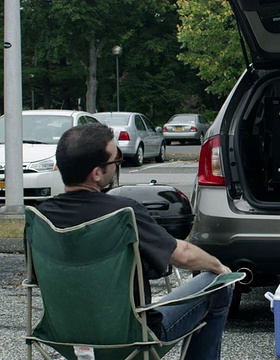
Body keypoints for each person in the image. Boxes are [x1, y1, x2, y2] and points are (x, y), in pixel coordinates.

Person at [35, 123, 232, 360]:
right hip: (133, 338)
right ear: (97, 173)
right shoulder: (122, 213)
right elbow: (184, 255)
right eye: (114, 160)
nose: (117, 165)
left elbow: (39, 277)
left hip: (63, 338)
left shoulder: (39, 219)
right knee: (217, 284)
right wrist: (219, 268)